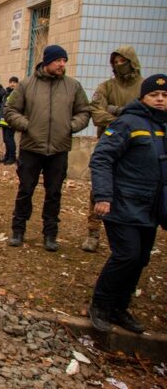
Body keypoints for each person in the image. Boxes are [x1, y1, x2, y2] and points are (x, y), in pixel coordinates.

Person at [87, 74, 167, 334]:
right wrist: (103, 196)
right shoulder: (128, 123)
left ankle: (120, 308)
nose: (160, 99)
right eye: (154, 95)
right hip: (123, 204)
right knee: (126, 255)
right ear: (143, 97)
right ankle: (100, 305)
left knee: (141, 259)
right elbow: (101, 158)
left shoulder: (163, 127)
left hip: (151, 207)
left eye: (165, 96)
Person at [4, 45, 91, 251]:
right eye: (58, 60)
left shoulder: (73, 86)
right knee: (25, 190)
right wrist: (27, 126)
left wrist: (71, 127)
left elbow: (84, 112)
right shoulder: (26, 85)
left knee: (54, 193)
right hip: (31, 148)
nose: (62, 64)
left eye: (64, 61)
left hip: (59, 150)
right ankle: (18, 231)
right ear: (46, 61)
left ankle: (50, 234)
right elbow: (9, 110)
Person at [82, 46, 144, 252]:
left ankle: (132, 232)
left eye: (123, 61)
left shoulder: (145, 87)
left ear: (132, 61)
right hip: (108, 144)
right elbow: (97, 114)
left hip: (138, 148)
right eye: (115, 62)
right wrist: (128, 117)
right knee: (99, 189)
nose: (119, 65)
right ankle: (93, 232)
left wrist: (115, 111)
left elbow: (150, 115)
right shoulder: (106, 87)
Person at [0, 77, 19, 165]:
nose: (12, 84)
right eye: (11, 82)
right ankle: (7, 156)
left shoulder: (17, 93)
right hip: (4, 120)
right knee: (6, 139)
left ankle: (12, 157)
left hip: (11, 120)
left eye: (14, 82)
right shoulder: (6, 93)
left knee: (10, 139)